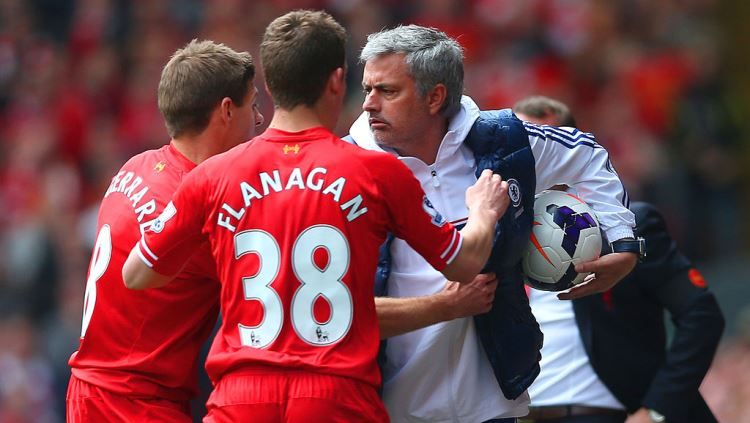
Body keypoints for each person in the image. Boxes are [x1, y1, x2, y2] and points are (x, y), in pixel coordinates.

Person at [121, 10, 510, 423]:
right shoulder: (377, 172)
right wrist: (482, 211)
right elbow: (465, 263)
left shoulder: (211, 177)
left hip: (240, 397)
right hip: (336, 395)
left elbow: (138, 275)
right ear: (337, 81)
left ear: (268, 84)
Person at [346, 25, 641, 423]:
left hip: (493, 405)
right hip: (388, 408)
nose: (368, 104)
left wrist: (623, 244)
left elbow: (589, 157)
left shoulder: (503, 143)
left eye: (388, 91)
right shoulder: (346, 169)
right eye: (367, 89)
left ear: (435, 97)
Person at [66, 39, 264, 422]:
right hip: (133, 404)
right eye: (252, 105)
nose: (258, 119)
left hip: (89, 392)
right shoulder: (203, 208)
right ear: (226, 110)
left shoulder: (135, 166)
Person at [514, 95, 725, 423]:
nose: (528, 152)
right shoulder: (500, 235)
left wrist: (657, 410)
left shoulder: (628, 227)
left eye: (537, 138)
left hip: (604, 413)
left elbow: (702, 315)